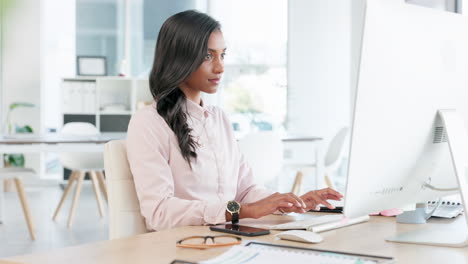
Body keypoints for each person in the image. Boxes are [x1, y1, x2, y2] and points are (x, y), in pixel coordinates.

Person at [127, 10, 343, 232]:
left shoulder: (219, 119)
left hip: (230, 237)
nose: (220, 67)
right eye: (207, 56)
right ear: (179, 58)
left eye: (222, 55)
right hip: (184, 244)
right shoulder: (149, 123)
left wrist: (289, 202)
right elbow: (159, 212)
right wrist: (240, 211)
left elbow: (246, 190)